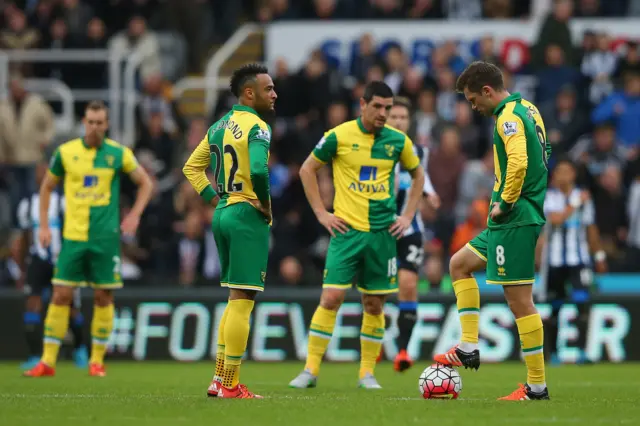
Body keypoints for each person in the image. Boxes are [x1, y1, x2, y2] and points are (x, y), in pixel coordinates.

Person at [289, 81, 425, 390]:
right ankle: (310, 370)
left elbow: (419, 175)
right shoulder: (338, 136)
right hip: (346, 232)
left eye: (388, 108)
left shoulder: (398, 142)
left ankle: (366, 374)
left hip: (382, 235)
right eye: (377, 106)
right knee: (331, 297)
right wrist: (322, 214)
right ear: (362, 105)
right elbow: (307, 170)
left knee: (374, 304)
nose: (383, 113)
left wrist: (407, 216)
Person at [433, 61, 552, 401]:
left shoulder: (508, 117)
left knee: (520, 303)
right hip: (511, 219)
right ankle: (468, 346)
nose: (473, 107)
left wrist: (505, 201)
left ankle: (537, 387)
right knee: (459, 264)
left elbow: (518, 162)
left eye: (473, 100)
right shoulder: (527, 107)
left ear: (487, 91)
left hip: (514, 217)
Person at [24, 101, 153, 378]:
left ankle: (97, 361)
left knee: (103, 297)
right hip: (73, 236)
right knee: (60, 294)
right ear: (84, 122)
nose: (94, 127)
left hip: (105, 238)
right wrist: (44, 226)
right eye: (90, 122)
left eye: (100, 123)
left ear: (106, 125)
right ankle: (47, 361)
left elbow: (146, 183)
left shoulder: (118, 154)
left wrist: (135, 215)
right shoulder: (66, 153)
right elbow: (47, 187)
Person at [183, 63, 276, 399]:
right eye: (268, 89)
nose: (274, 94)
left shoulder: (218, 126)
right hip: (247, 212)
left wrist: (215, 199)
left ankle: (220, 378)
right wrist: (264, 204)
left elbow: (191, 168)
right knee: (244, 300)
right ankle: (230, 384)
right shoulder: (258, 127)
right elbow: (260, 171)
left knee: (234, 297)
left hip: (224, 212)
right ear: (248, 92)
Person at [385, 96, 440, 372]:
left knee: (407, 285)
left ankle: (403, 350)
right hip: (378, 229)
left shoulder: (419, 151)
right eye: (393, 117)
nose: (398, 121)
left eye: (402, 118)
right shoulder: (373, 147)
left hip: (410, 228)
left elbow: (420, 175)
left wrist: (429, 193)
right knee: (376, 292)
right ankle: (368, 356)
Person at [15, 161, 88, 371]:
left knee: (71, 306)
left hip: (61, 259)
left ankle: (80, 350)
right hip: (37, 259)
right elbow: (24, 237)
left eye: (47, 172)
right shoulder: (28, 204)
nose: (43, 176)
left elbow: (74, 234)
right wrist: (22, 267)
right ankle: (35, 355)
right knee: (32, 305)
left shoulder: (64, 203)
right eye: (40, 172)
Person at [539, 156, 607, 365]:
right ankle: (554, 354)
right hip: (555, 262)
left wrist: (599, 255)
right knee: (555, 307)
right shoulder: (549, 197)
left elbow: (590, 228)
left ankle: (583, 353)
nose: (564, 176)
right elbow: (557, 219)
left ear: (573, 175)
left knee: (582, 304)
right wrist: (576, 204)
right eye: (560, 171)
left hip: (579, 261)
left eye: (568, 171)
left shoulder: (583, 198)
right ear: (555, 175)